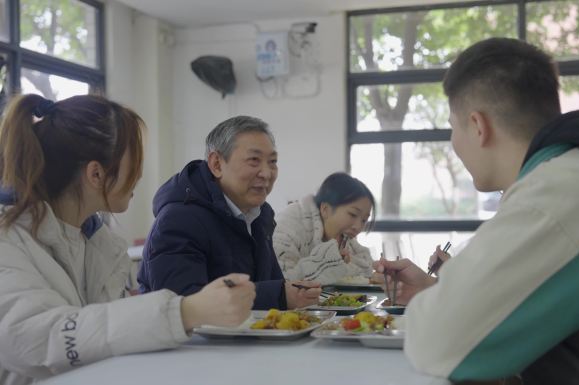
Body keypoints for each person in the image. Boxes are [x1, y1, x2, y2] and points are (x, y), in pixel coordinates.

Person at [375, 37, 579, 384]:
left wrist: (437, 303)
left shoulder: (560, 193)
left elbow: (436, 344)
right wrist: (436, 289)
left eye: (452, 125)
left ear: (478, 126)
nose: (453, 142)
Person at [0, 95, 256, 385]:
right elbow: (39, 340)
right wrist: (183, 312)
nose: (140, 173)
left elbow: (107, 343)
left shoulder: (101, 243)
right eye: (135, 160)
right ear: (96, 173)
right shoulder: (9, 240)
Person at [137, 115, 320, 310]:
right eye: (254, 161)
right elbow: (182, 306)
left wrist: (292, 292)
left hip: (245, 337)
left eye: (272, 162)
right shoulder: (179, 220)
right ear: (216, 164)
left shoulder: (260, 215)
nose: (267, 173)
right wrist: (278, 296)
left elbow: (272, 283)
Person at [273, 172, 376, 285]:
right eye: (352, 214)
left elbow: (365, 267)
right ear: (325, 209)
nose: (358, 227)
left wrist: (378, 274)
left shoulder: (344, 237)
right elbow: (280, 283)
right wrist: (327, 262)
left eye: (364, 220)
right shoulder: (290, 226)